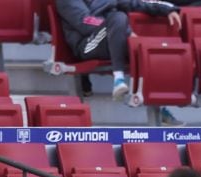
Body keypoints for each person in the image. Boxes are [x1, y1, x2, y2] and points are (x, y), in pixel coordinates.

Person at [55, 0, 184, 124]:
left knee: (147, 49)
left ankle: (158, 104)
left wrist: (167, 9)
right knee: (118, 18)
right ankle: (119, 78)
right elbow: (85, 23)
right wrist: (123, 31)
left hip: (113, 35)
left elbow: (137, 2)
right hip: (87, 44)